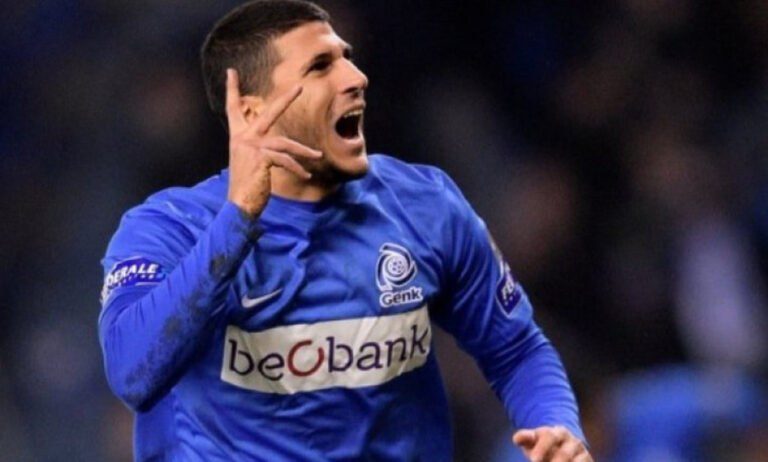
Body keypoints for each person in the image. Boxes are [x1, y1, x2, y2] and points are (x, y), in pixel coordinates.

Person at [98, 1, 593, 460]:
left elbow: (515, 348)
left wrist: (556, 427)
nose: (356, 78)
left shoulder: (425, 206)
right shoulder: (169, 228)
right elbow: (133, 373)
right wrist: (238, 221)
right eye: (320, 67)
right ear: (251, 110)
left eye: (347, 59)